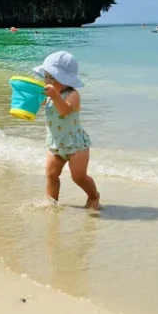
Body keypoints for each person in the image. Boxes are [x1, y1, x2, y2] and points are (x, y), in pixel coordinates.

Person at [34, 51, 100, 210]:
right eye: (46, 76)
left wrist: (55, 96)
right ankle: (52, 202)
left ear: (65, 80)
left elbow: (64, 111)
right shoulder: (50, 95)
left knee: (78, 176)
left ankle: (93, 196)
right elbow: (37, 104)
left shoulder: (72, 95)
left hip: (76, 145)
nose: (47, 81)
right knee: (51, 174)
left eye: (52, 77)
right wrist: (30, 97)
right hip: (55, 143)